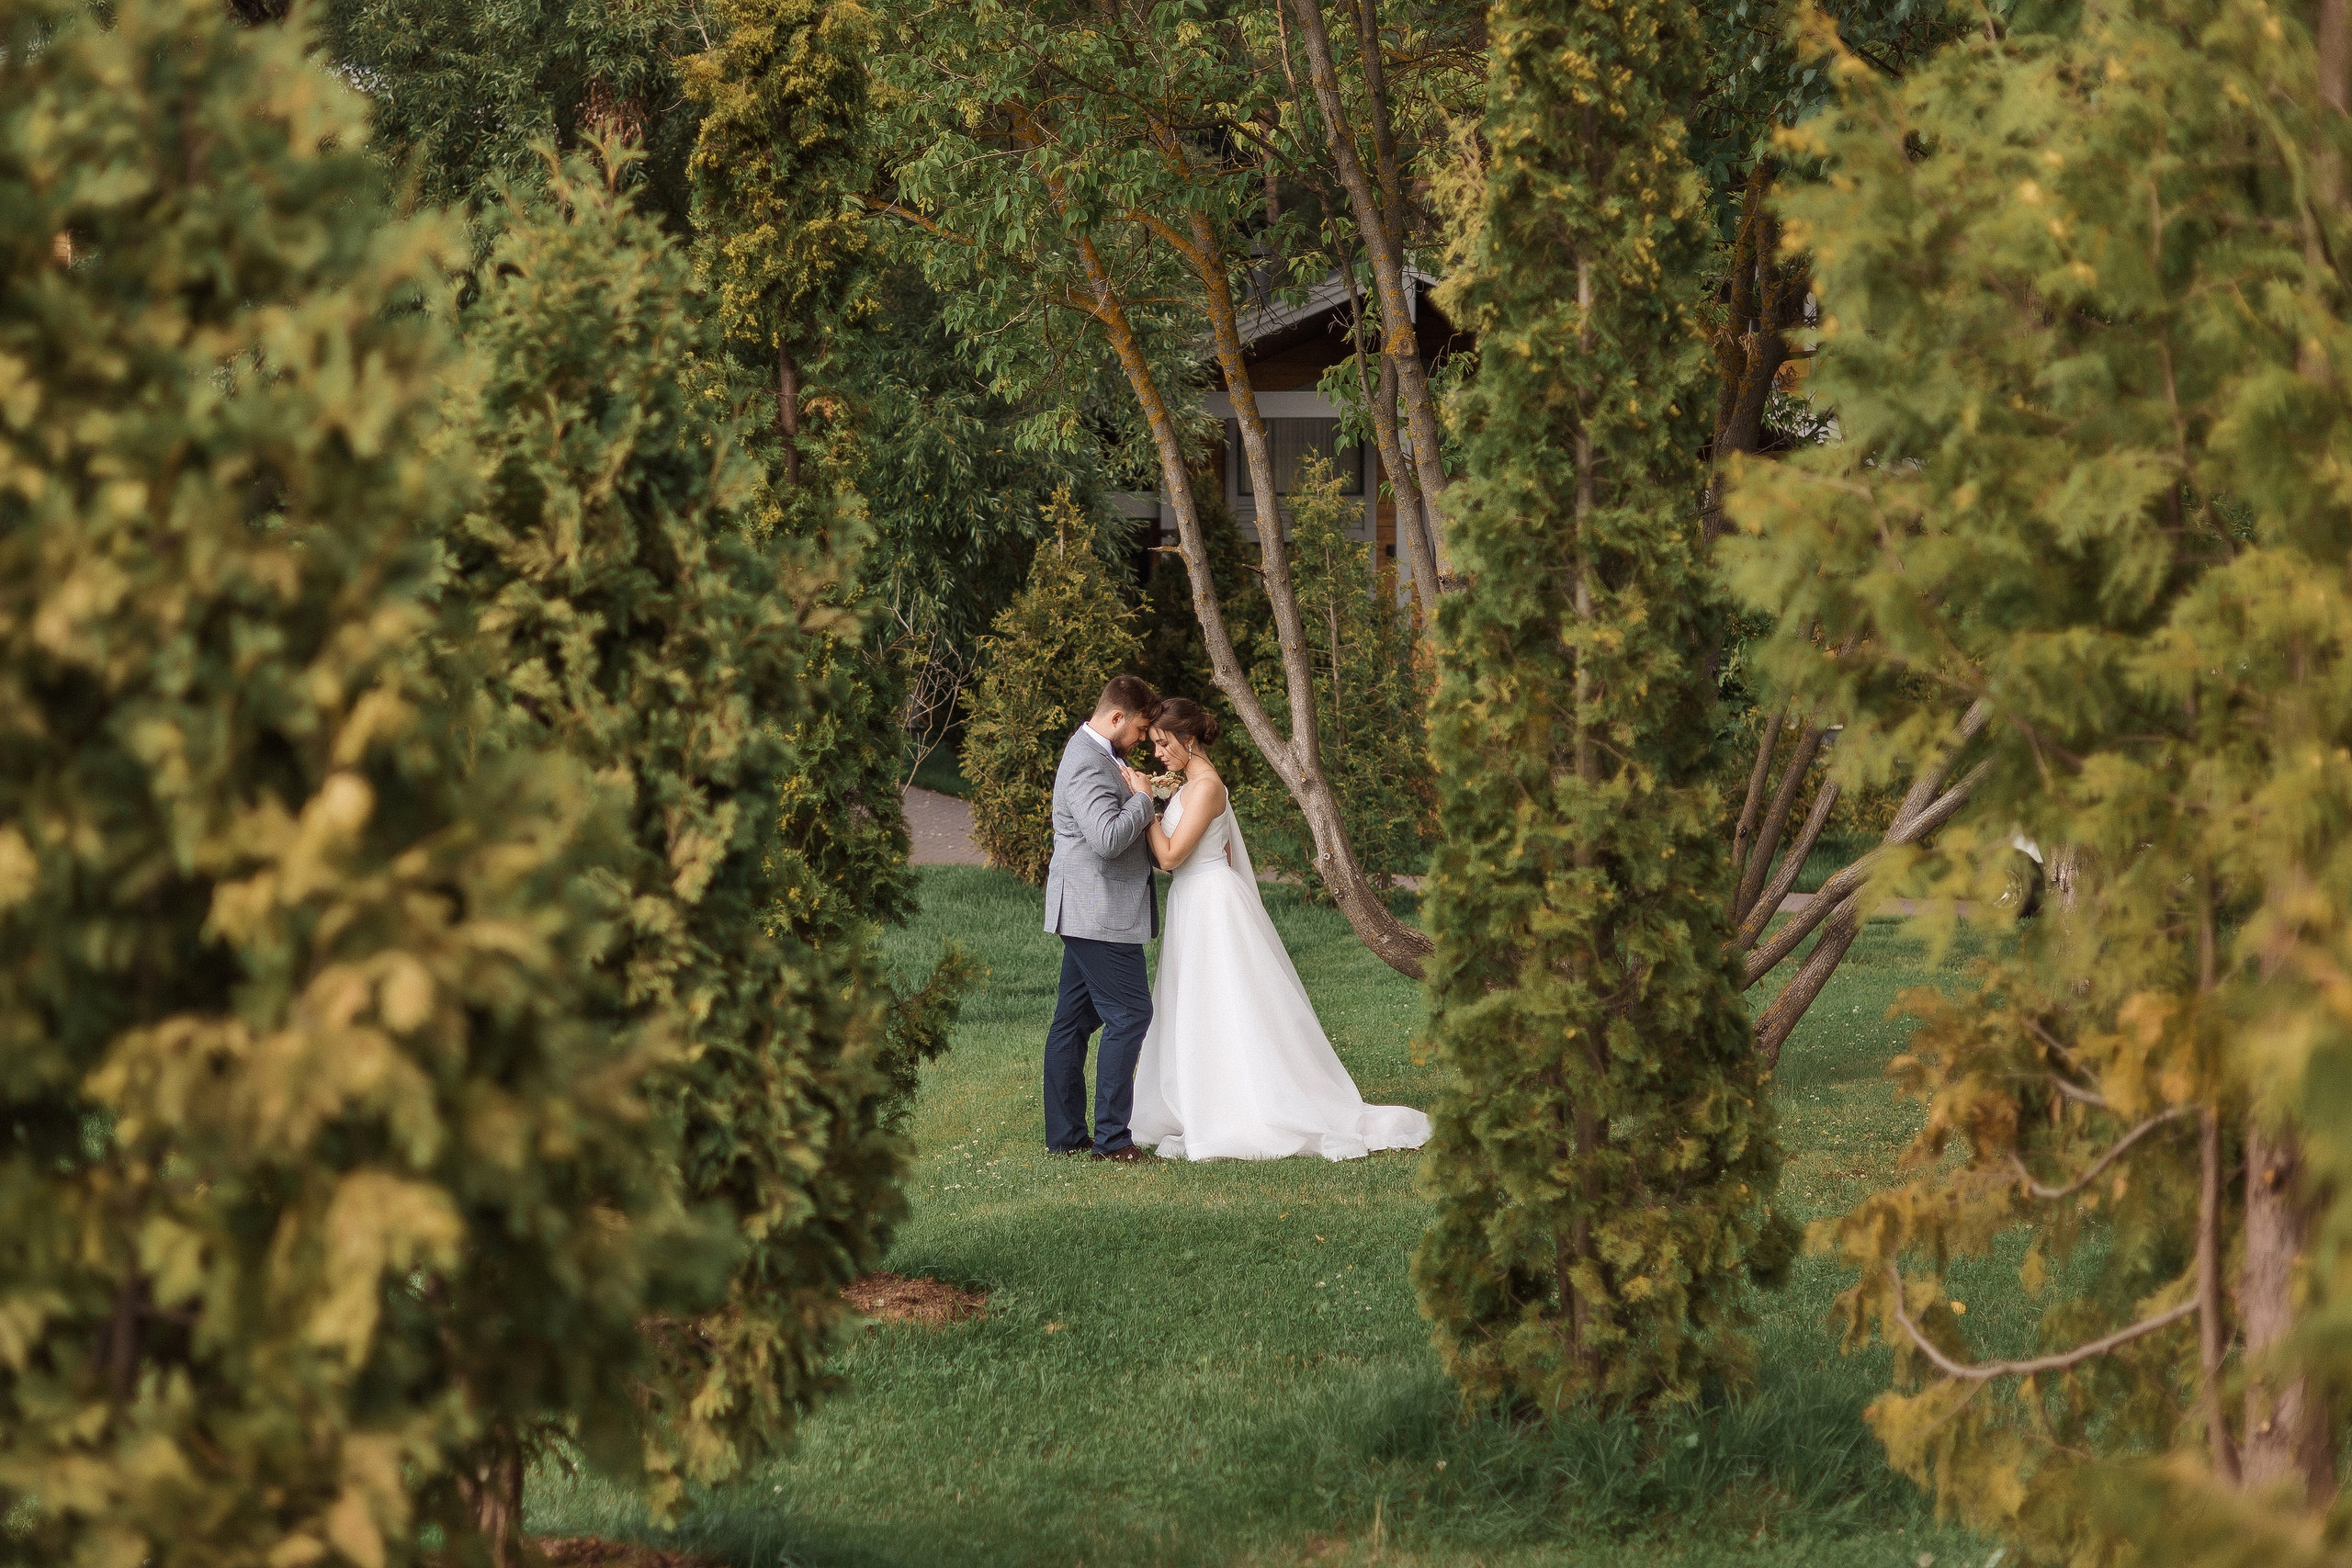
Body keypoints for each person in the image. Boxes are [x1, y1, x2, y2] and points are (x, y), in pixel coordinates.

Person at [1128, 698, 1430, 1161]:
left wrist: (1144, 804)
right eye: (1154, 745)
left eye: (1164, 743)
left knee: (1229, 1001)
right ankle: (1201, 1094)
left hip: (1211, 906)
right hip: (1194, 902)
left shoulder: (1207, 787)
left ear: (1189, 740)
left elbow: (1169, 856)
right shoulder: (1191, 787)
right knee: (1198, 1002)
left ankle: (1246, 1102)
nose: (1157, 754)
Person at [1040, 674, 1163, 1161]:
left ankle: (1067, 1138)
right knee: (1130, 1014)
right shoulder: (1086, 764)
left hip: (1091, 911)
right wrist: (1146, 801)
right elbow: (1109, 838)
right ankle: (1112, 1142)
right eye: (1138, 730)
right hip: (1099, 914)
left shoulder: (1102, 754)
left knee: (1073, 1022)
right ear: (1116, 718)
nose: (1141, 741)